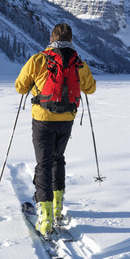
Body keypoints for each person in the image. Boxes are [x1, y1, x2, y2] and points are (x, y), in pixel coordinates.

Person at [15, 23, 96, 237]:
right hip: (67, 118)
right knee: (58, 159)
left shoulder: (38, 59)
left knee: (44, 164)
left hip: (42, 118)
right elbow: (91, 88)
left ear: (51, 38)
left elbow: (20, 86)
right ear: (71, 40)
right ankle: (57, 208)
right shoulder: (79, 63)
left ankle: (46, 218)